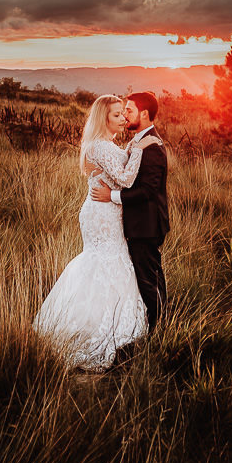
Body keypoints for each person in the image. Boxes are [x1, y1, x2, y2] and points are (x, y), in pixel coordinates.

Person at [32, 94, 162, 371]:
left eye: (124, 113)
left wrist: (133, 148)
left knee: (109, 260)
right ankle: (93, 327)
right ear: (103, 118)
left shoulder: (108, 145)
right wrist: (139, 147)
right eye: (116, 115)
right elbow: (126, 179)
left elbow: (121, 169)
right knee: (103, 260)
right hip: (102, 212)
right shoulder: (101, 147)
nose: (123, 118)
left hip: (106, 209)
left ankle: (118, 320)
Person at [90, 91, 169, 331]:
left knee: (147, 280)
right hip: (138, 224)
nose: (125, 115)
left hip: (146, 225)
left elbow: (147, 191)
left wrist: (110, 196)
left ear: (144, 114)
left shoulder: (152, 147)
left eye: (129, 110)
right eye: (122, 111)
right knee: (151, 275)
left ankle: (159, 329)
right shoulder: (138, 142)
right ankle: (162, 321)